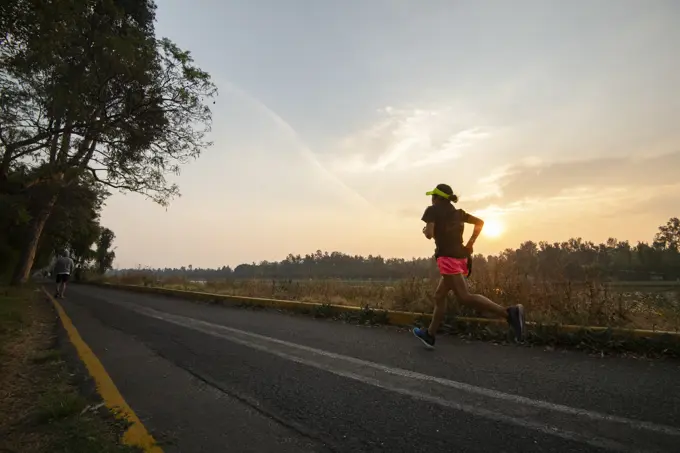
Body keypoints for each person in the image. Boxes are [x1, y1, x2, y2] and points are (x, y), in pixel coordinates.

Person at [412, 184, 526, 349]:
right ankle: (430, 334)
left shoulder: (432, 210)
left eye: (433, 196)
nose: (431, 199)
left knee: (464, 297)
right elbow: (480, 222)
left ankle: (509, 313)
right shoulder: (458, 213)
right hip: (461, 258)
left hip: (447, 259)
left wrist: (425, 230)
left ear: (438, 197)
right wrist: (470, 243)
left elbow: (429, 234)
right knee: (439, 296)